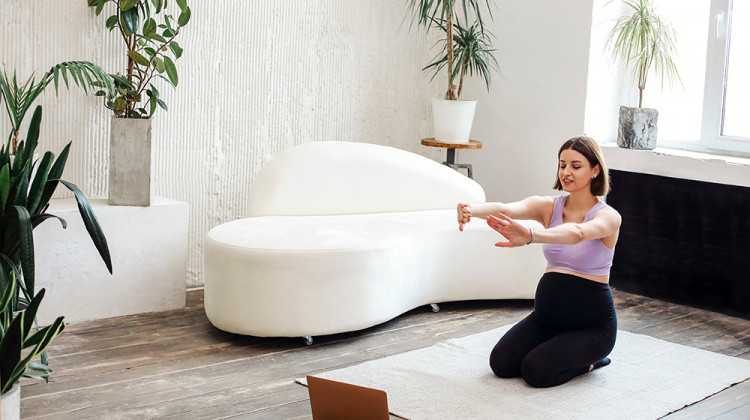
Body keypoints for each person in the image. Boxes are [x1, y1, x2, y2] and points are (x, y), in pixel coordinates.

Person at [456, 136, 622, 388]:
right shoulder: (548, 206)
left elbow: (577, 233)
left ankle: (592, 362)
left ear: (595, 170)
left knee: (535, 372)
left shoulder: (608, 217)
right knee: (501, 364)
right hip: (546, 319)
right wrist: (470, 210)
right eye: (562, 165)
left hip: (592, 328)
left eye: (576, 166)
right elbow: (505, 208)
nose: (566, 172)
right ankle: (557, 346)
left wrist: (531, 236)